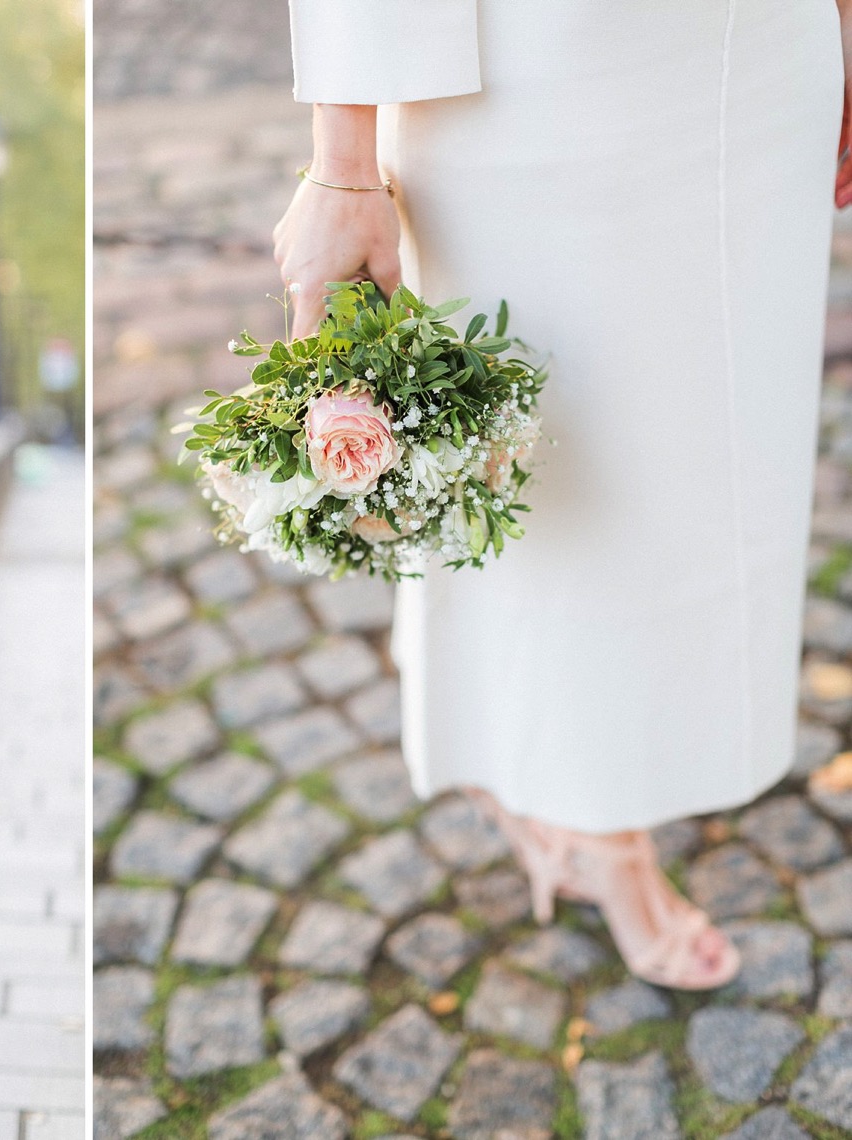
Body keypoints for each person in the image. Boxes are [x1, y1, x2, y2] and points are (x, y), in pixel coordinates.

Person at [274, 0, 846, 988]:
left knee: (720, 458)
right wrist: (342, 157)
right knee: (560, 478)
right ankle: (591, 820)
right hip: (537, 72)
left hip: (762, 58)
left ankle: (588, 790)